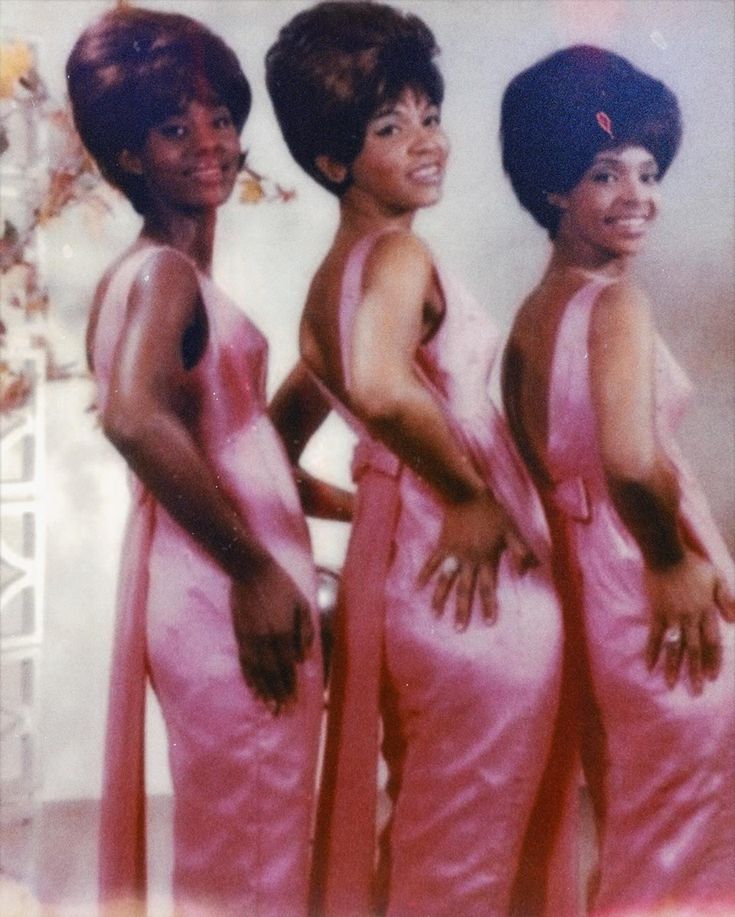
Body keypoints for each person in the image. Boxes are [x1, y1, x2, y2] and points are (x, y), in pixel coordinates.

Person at [265, 4, 564, 915]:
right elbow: (385, 387)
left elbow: (274, 441)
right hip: (471, 589)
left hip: (404, 579)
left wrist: (374, 510)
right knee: (464, 853)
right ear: (331, 162)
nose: (426, 142)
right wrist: (468, 500)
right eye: (389, 128)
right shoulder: (396, 253)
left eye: (428, 115)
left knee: (433, 830)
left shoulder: (329, 282)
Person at [66, 8, 334, 916]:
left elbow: (236, 447)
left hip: (212, 588)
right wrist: (256, 569)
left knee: (242, 845)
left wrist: (357, 500)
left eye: (220, 117)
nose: (211, 142)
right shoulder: (164, 277)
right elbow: (134, 418)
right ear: (129, 155)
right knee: (252, 852)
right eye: (175, 127)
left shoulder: (153, 272)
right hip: (230, 596)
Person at [500, 45, 735, 916]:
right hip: (644, 578)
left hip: (588, 581)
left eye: (646, 169)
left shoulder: (538, 308)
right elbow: (631, 460)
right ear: (554, 188)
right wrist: (673, 562)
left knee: (648, 818)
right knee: (688, 824)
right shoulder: (614, 303)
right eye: (603, 172)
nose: (635, 193)